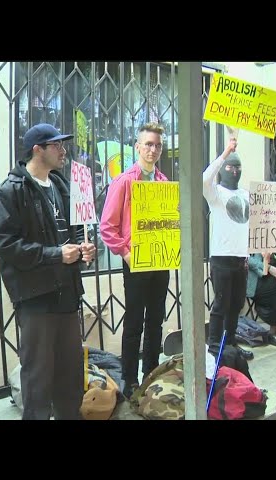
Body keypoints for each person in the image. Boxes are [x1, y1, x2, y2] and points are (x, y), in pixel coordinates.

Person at [0, 123, 96, 420]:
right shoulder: (11, 191)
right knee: (38, 375)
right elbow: (6, 244)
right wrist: (55, 254)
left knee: (70, 373)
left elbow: (77, 231)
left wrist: (86, 248)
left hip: (67, 294)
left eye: (63, 145)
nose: (63, 151)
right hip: (36, 297)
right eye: (56, 145)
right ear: (38, 150)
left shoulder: (62, 186)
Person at [99, 122, 171, 399]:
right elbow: (107, 226)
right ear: (138, 147)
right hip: (135, 262)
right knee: (134, 322)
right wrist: (127, 254)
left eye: (158, 145)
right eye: (148, 144)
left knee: (155, 321)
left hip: (160, 261)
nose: (153, 149)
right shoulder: (124, 181)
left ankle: (150, 374)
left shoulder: (164, 182)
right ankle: (129, 379)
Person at [202, 136, 254, 361]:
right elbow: (204, 179)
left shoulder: (245, 195)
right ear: (223, 169)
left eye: (238, 167)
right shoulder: (215, 193)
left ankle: (230, 343)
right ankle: (215, 346)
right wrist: (225, 153)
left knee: (236, 305)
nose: (234, 171)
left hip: (241, 258)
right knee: (221, 304)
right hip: (221, 258)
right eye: (230, 167)